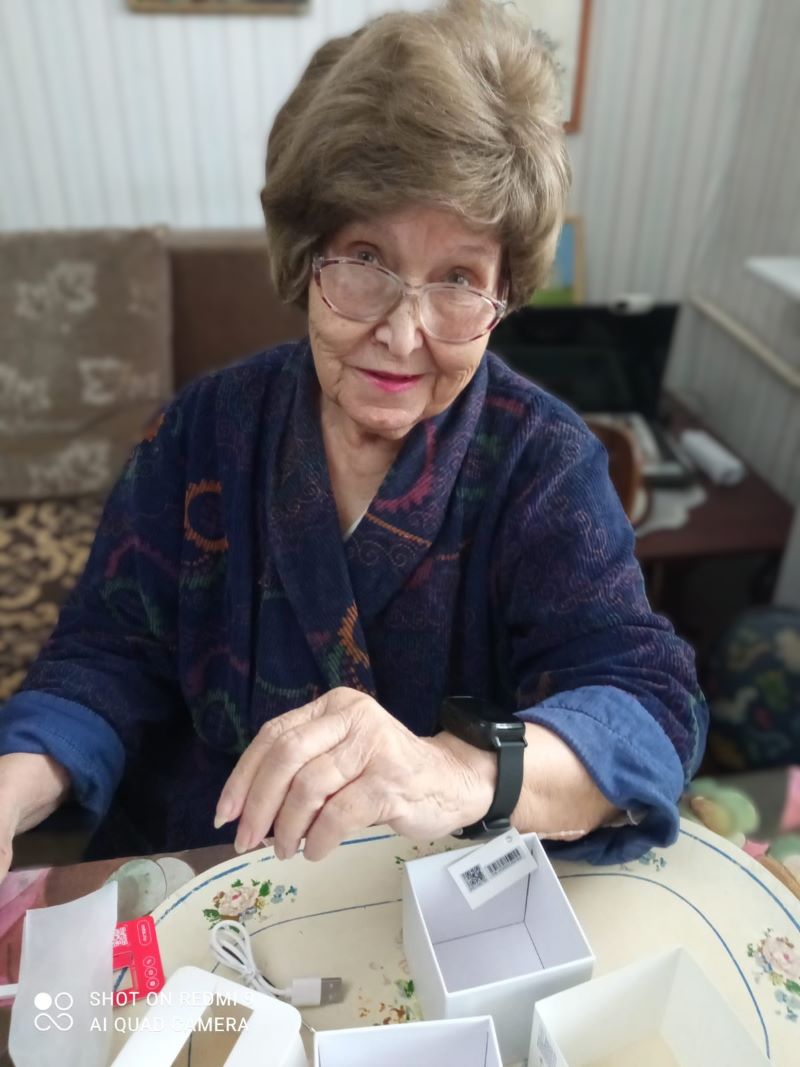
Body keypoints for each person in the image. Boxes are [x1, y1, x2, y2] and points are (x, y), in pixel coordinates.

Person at [0, 0, 707, 880]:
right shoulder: (204, 427)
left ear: (503, 296)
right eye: (366, 260)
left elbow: (647, 706)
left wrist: (457, 770)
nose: (404, 335)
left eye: (458, 278)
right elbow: (104, 655)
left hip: (425, 903)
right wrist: (12, 787)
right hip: (198, 873)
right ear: (307, 257)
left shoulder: (542, 463)